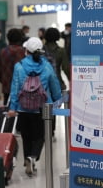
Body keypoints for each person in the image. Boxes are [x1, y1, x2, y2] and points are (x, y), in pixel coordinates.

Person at [7, 37, 62, 177]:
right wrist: (58, 99)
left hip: (22, 107)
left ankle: (27, 159)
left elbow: (14, 88)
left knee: (26, 135)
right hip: (43, 106)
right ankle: (33, 157)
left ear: (26, 51)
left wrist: (12, 107)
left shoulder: (19, 66)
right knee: (41, 135)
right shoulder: (47, 66)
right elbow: (54, 84)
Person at [0, 28, 25, 105]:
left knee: (7, 111)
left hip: (6, 87)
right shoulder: (21, 51)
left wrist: (4, 81)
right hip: (19, 89)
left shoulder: (3, 51)